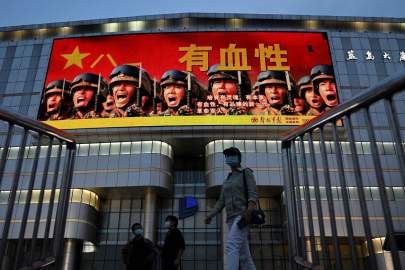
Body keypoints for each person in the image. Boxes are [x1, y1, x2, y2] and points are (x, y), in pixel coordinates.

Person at [205, 147, 257, 270]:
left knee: (231, 246)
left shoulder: (246, 173)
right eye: (227, 156)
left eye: (232, 155)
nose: (229, 158)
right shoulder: (226, 181)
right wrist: (210, 215)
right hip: (230, 219)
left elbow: (253, 193)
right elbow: (221, 201)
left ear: (239, 158)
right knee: (244, 256)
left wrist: (249, 211)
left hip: (243, 216)